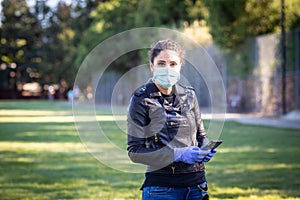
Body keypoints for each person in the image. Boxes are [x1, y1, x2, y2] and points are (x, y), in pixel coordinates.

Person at [127, 39, 218, 200]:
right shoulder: (141, 99)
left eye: (173, 64)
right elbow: (135, 152)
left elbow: (201, 136)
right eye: (161, 63)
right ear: (151, 66)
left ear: (180, 66)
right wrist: (178, 154)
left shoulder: (189, 95)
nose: (167, 69)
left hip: (197, 187)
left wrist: (206, 148)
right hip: (162, 189)